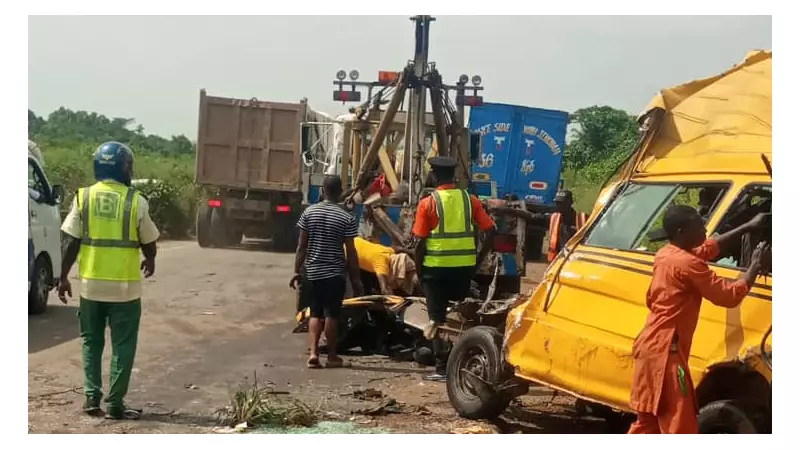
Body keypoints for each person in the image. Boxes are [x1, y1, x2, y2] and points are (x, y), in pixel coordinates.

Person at [628, 205, 770, 434]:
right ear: (681, 231)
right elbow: (728, 296)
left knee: (648, 423)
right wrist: (755, 266)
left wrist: (746, 227)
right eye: (698, 225)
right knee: (681, 426)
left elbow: (707, 249)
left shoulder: (666, 254)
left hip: (649, 349)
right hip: (667, 357)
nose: (704, 228)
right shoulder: (688, 264)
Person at [57, 142, 159, 420]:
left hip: (91, 285)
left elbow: (70, 242)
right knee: (123, 344)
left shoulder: (83, 197)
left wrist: (63, 277)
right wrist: (150, 259)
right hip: (125, 288)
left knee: (91, 342)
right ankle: (114, 403)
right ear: (124, 168)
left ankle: (92, 397)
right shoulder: (136, 201)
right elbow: (149, 241)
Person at [412, 156, 497, 382]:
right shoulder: (470, 201)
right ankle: (467, 359)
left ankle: (442, 368)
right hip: (464, 269)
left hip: (435, 270)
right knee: (463, 314)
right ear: (454, 176)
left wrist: (420, 273)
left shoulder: (428, 203)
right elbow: (491, 231)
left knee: (436, 319)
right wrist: (478, 260)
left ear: (434, 176)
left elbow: (419, 243)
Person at [290, 175, 364, 369]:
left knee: (315, 313)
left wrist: (296, 271)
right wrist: (356, 279)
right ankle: (332, 357)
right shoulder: (346, 218)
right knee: (332, 314)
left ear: (322, 191)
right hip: (334, 274)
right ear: (340, 193)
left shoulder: (309, 212)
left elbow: (301, 246)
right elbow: (351, 251)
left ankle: (313, 354)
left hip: (312, 272)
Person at [352, 236, 419, 296]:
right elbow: (384, 289)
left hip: (355, 241)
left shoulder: (385, 252)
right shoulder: (381, 261)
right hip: (349, 255)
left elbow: (400, 249)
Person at [546, 190, 588, 262]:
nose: (558, 206)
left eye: (561, 203)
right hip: (557, 260)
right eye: (557, 203)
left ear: (570, 202)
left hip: (575, 259)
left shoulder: (582, 219)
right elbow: (535, 217)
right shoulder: (554, 218)